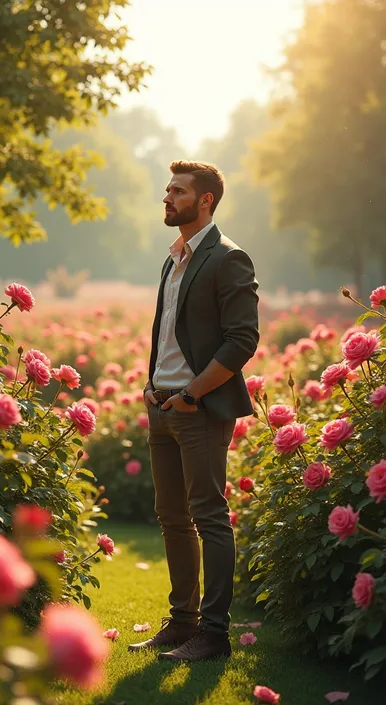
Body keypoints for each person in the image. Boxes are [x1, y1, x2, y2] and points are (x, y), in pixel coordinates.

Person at [128, 160, 259, 662]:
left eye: (178, 191)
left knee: (209, 517)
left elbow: (242, 339)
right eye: (167, 189)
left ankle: (214, 633)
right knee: (171, 518)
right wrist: (153, 386)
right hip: (162, 406)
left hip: (198, 410)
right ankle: (182, 621)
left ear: (205, 200)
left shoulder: (229, 258)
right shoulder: (173, 258)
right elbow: (167, 333)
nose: (167, 197)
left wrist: (192, 395)